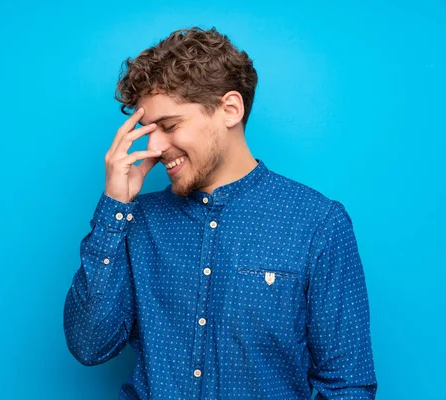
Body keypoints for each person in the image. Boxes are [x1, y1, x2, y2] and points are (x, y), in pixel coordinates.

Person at [63, 26, 378, 399]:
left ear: (230, 109)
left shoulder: (317, 224)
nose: (155, 147)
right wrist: (114, 209)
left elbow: (347, 384)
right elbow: (89, 345)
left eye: (169, 125)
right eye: (148, 131)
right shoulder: (137, 221)